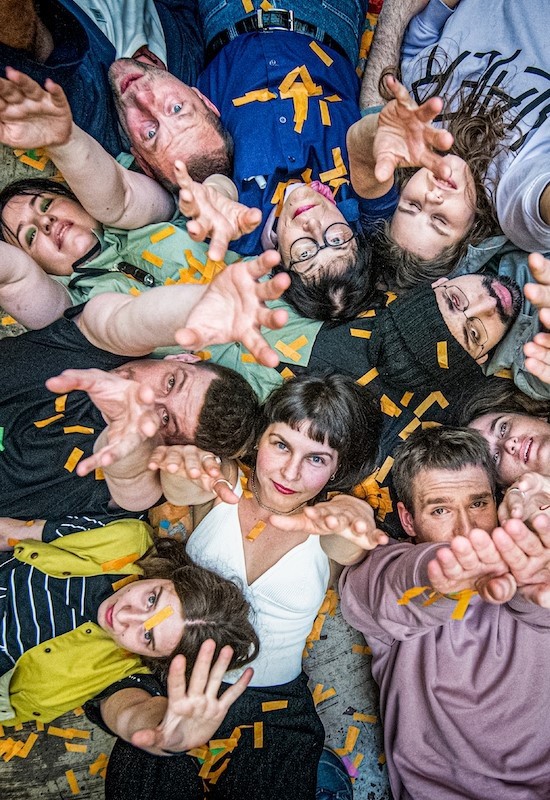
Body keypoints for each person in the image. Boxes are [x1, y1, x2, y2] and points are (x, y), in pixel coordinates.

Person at [87, 373, 387, 800]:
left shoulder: (331, 521)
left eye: (317, 459)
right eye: (281, 445)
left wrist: (354, 518)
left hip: (273, 706)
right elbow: (185, 487)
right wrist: (187, 466)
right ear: (260, 438)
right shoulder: (227, 480)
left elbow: (349, 543)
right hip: (176, 676)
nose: (290, 471)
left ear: (338, 469)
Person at [0, 248, 290, 523]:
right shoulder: (100, 344)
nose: (146, 398)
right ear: (182, 358)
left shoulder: (139, 473)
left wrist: (131, 436)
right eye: (171, 382)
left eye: (165, 419)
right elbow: (132, 320)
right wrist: (202, 308)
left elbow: (133, 482)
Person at [339, 425, 550, 799]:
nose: (466, 528)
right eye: (440, 510)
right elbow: (398, 587)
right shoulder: (385, 568)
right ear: (408, 520)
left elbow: (536, 606)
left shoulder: (531, 563)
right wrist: (444, 580)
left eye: (478, 504)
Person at [0, 519, 257, 728]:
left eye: (147, 637)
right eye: (151, 599)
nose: (123, 616)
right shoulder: (127, 541)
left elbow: (132, 713)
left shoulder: (124, 671)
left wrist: (159, 729)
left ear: (158, 659)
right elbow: (14, 532)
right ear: (169, 576)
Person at [351, 0, 550, 270]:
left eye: (412, 205)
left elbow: (426, 27)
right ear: (471, 234)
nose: (431, 199)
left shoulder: (415, 117)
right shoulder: (511, 199)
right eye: (440, 220)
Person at [0, 0, 204, 157]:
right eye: (176, 108)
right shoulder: (189, 57)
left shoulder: (90, 110)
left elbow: (31, 41)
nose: (143, 98)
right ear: (202, 99)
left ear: (142, 162)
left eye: (150, 133)